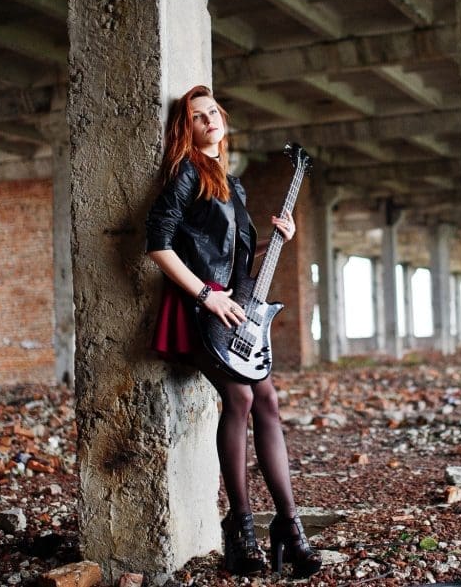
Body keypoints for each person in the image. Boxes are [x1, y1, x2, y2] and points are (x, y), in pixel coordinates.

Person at [145, 85, 323, 579]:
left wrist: (275, 242)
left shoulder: (232, 184)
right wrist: (206, 294)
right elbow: (158, 244)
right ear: (186, 129)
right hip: (201, 309)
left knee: (267, 401)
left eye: (213, 112)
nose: (209, 120)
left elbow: (235, 259)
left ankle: (289, 526)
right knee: (240, 398)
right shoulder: (185, 173)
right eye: (197, 117)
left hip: (236, 307)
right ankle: (240, 527)